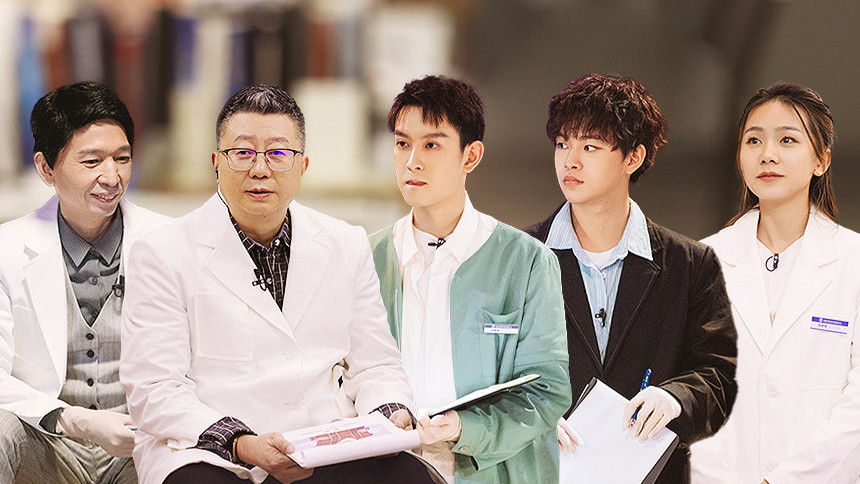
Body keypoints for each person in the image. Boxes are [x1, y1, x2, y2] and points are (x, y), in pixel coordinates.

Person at [119, 85, 440, 484]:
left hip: (322, 445)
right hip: (213, 453)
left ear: (302, 166)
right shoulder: (160, 253)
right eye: (242, 153)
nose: (260, 169)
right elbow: (155, 389)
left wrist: (389, 411)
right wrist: (242, 442)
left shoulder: (345, 243)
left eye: (278, 153)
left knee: (410, 476)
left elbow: (376, 364)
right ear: (216, 163)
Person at [524, 74, 738, 483]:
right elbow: (488, 372)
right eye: (563, 144)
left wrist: (675, 398)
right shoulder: (519, 258)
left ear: (633, 157)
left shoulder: (690, 265)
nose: (570, 161)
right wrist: (527, 419)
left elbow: (717, 377)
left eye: (590, 146)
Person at [370, 75, 571, 484]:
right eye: (403, 144)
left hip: (484, 471)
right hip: (384, 467)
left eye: (432, 145)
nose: (412, 161)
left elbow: (547, 390)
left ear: (471, 155)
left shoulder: (527, 262)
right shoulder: (365, 258)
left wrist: (464, 428)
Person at [0, 81, 171, 483]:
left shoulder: (169, 241)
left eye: (122, 158)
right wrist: (76, 421)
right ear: (46, 168)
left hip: (141, 447)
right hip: (48, 443)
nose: (112, 176)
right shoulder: (6, 249)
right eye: (92, 161)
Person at [690, 83, 860, 483]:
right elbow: (683, 390)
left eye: (787, 140)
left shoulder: (853, 261)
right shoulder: (698, 262)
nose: (768, 154)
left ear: (821, 160)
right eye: (754, 140)